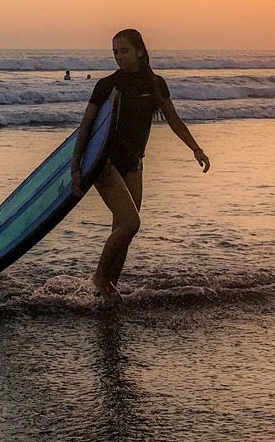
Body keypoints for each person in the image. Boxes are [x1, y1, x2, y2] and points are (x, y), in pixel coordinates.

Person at [70, 29, 209, 302]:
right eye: (115, 52)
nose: (119, 56)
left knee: (123, 231)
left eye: (124, 51)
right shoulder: (107, 85)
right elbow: (85, 127)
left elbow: (173, 119)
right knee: (131, 223)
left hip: (134, 164)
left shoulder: (155, 84)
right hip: (105, 163)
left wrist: (195, 148)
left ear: (140, 51)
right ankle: (100, 277)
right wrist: (76, 169)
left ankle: (108, 290)